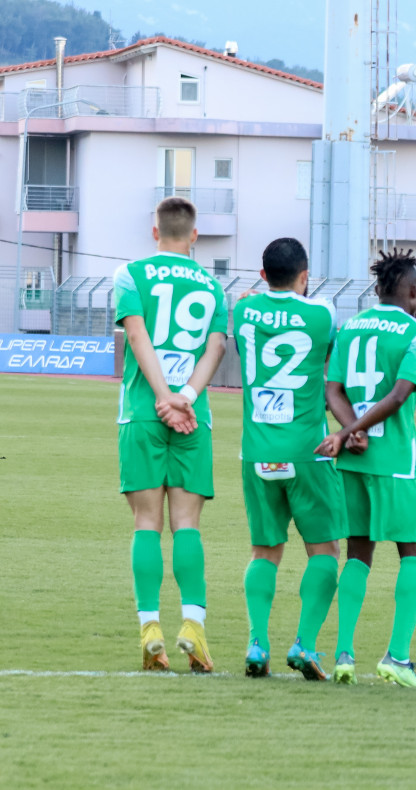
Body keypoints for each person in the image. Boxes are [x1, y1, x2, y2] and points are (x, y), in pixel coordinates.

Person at [116, 196, 228, 673]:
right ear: (195, 235)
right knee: (187, 524)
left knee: (146, 523)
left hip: (143, 412)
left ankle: (150, 631)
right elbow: (216, 348)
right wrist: (184, 395)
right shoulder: (214, 286)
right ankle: (194, 628)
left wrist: (161, 396)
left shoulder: (131, 273)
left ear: (154, 231)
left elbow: (137, 337)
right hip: (192, 416)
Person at [318, 248, 416, 689]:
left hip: (353, 459)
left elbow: (333, 390)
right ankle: (397, 657)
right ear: (410, 291)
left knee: (358, 553)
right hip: (396, 462)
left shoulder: (351, 327)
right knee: (415, 552)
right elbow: (399, 396)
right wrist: (361, 428)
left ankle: (344, 654)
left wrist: (349, 431)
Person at [230, 238, 345, 680]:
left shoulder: (243, 310)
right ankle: (305, 644)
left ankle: (257, 644)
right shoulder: (323, 313)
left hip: (257, 451)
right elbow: (330, 363)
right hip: (307, 451)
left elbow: (244, 313)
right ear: (304, 275)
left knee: (264, 550)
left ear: (261, 275)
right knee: (324, 551)